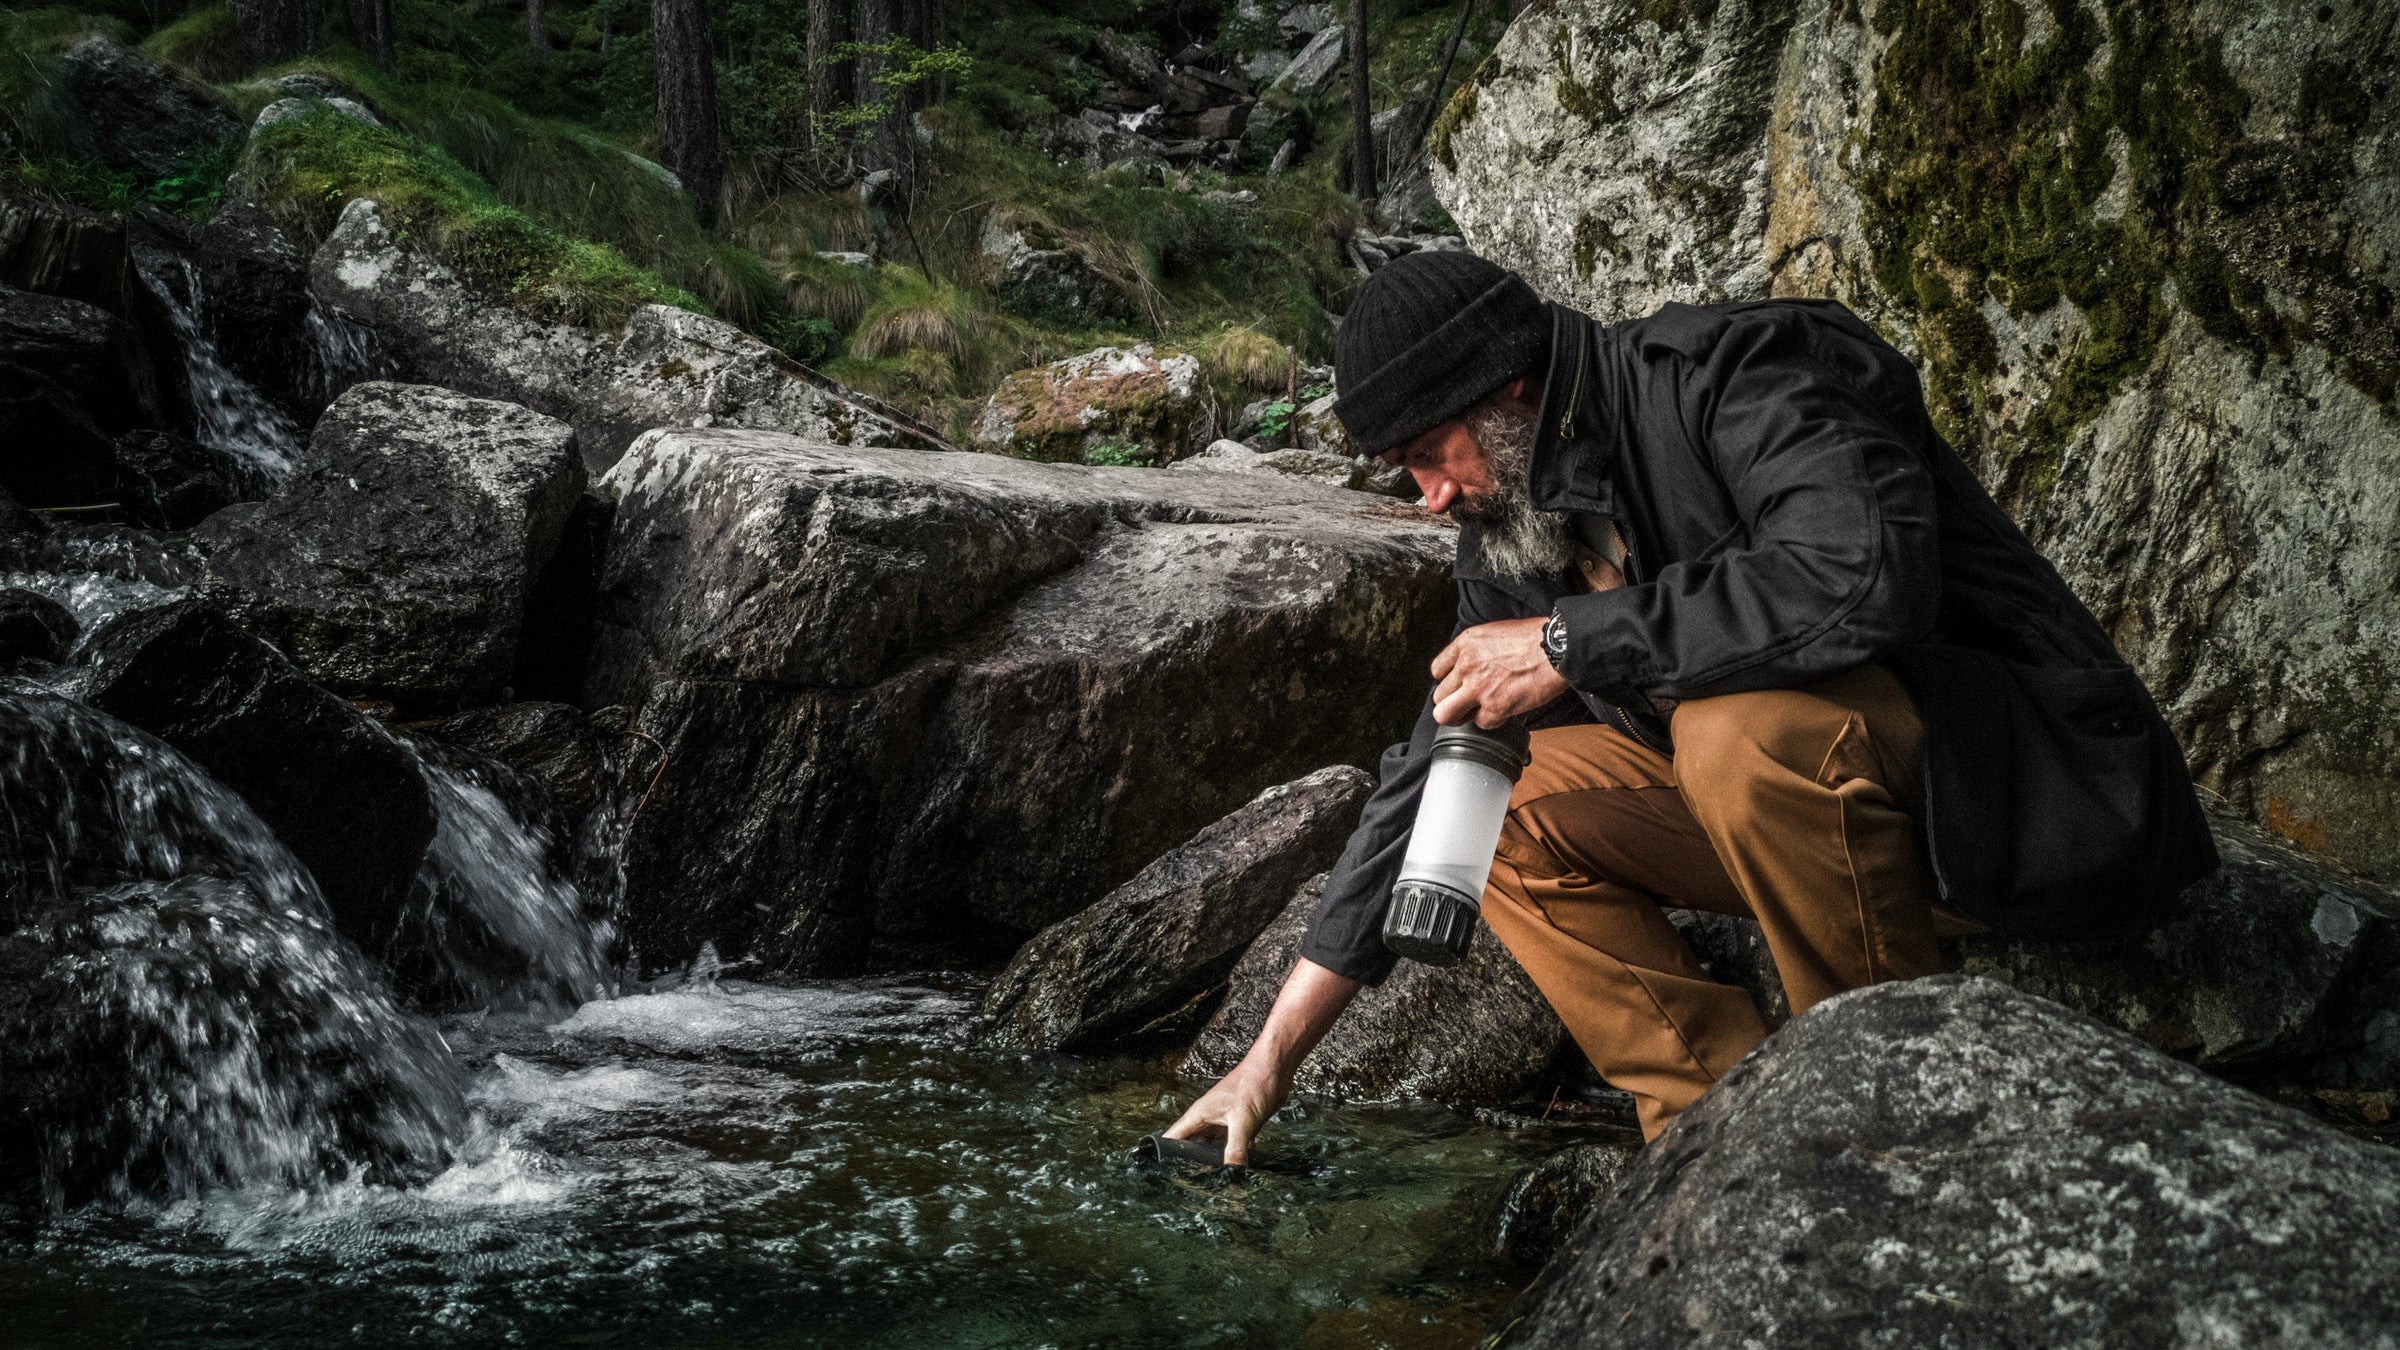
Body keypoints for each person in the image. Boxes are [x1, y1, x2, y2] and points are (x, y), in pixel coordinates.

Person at [1165, 251, 2215, 1160]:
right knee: (1492, 808)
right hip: (1795, 820)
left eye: (1430, 457)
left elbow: (1858, 574)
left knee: (1731, 733)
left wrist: (1572, 643)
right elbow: (1426, 780)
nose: (1430, 497)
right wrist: (1268, 1063)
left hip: (2024, 796)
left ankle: (1870, 1119)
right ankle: (1716, 1136)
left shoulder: (1738, 372)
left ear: (1507, 387)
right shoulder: (1516, 530)